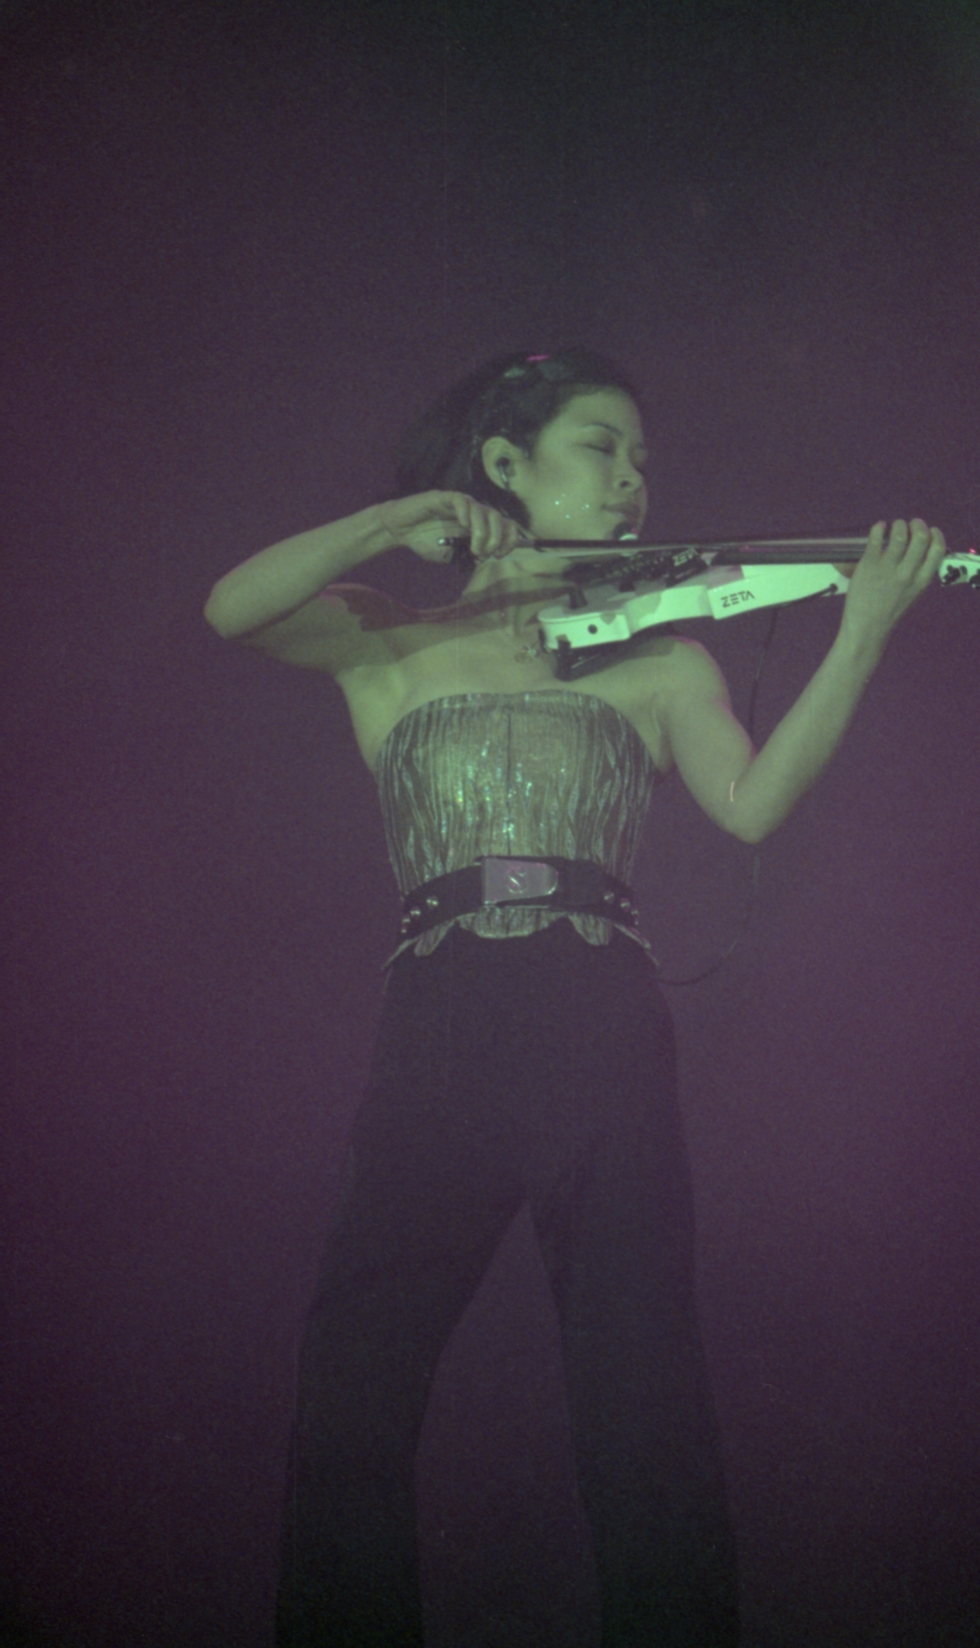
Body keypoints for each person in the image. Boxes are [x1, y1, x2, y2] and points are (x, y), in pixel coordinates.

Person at [204, 350, 946, 1646]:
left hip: (599, 1014)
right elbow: (230, 609)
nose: (632, 483)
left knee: (640, 1379)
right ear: (506, 463)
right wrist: (393, 519)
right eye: (602, 448)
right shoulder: (388, 639)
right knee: (356, 1372)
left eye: (642, 462)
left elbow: (752, 806)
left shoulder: (665, 664)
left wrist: (867, 625)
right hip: (441, 1018)